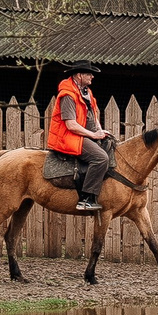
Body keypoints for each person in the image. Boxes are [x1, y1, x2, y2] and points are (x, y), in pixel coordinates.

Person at [48, 63, 113, 214]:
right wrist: (93, 135)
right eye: (89, 73)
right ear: (79, 75)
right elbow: (71, 125)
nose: (92, 76)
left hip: (82, 134)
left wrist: (99, 130)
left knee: (110, 145)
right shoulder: (67, 95)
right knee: (101, 158)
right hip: (68, 136)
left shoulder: (86, 92)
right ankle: (86, 199)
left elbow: (93, 115)